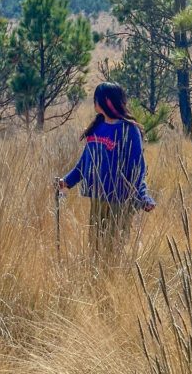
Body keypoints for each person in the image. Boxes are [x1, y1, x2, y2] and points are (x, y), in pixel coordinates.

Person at [58, 81, 156, 254]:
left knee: (114, 247)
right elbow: (84, 164)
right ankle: (96, 281)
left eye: (96, 98)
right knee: (95, 246)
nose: (94, 102)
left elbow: (137, 169)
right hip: (98, 198)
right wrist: (66, 182)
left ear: (106, 101)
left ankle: (115, 280)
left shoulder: (129, 130)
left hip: (120, 200)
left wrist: (143, 197)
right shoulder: (97, 127)